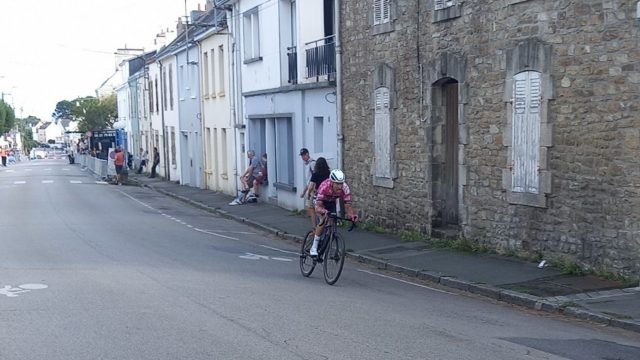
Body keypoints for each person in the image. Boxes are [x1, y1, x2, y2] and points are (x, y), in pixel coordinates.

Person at [310, 169, 358, 256]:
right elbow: (318, 206)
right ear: (332, 182)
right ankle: (314, 246)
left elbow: (347, 204)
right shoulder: (324, 186)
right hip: (320, 201)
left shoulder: (345, 188)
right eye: (337, 183)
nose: (340, 186)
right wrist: (323, 211)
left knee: (332, 223)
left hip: (331, 201)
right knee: (323, 220)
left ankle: (327, 240)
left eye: (341, 183)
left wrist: (351, 215)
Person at [303, 157, 330, 227]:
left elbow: (311, 186)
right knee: (327, 210)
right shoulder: (329, 173)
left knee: (313, 208)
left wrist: (308, 194)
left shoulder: (315, 174)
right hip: (328, 195)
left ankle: (315, 227)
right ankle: (328, 227)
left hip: (319, 195)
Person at [299, 148, 316, 224]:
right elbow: (308, 181)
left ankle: (315, 227)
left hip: (313, 189)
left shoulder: (312, 163)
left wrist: (306, 191)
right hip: (309, 189)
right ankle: (315, 226)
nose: (302, 157)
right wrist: (304, 191)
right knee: (310, 209)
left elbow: (313, 178)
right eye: (301, 155)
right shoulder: (307, 164)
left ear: (307, 154)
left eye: (304, 155)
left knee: (311, 209)